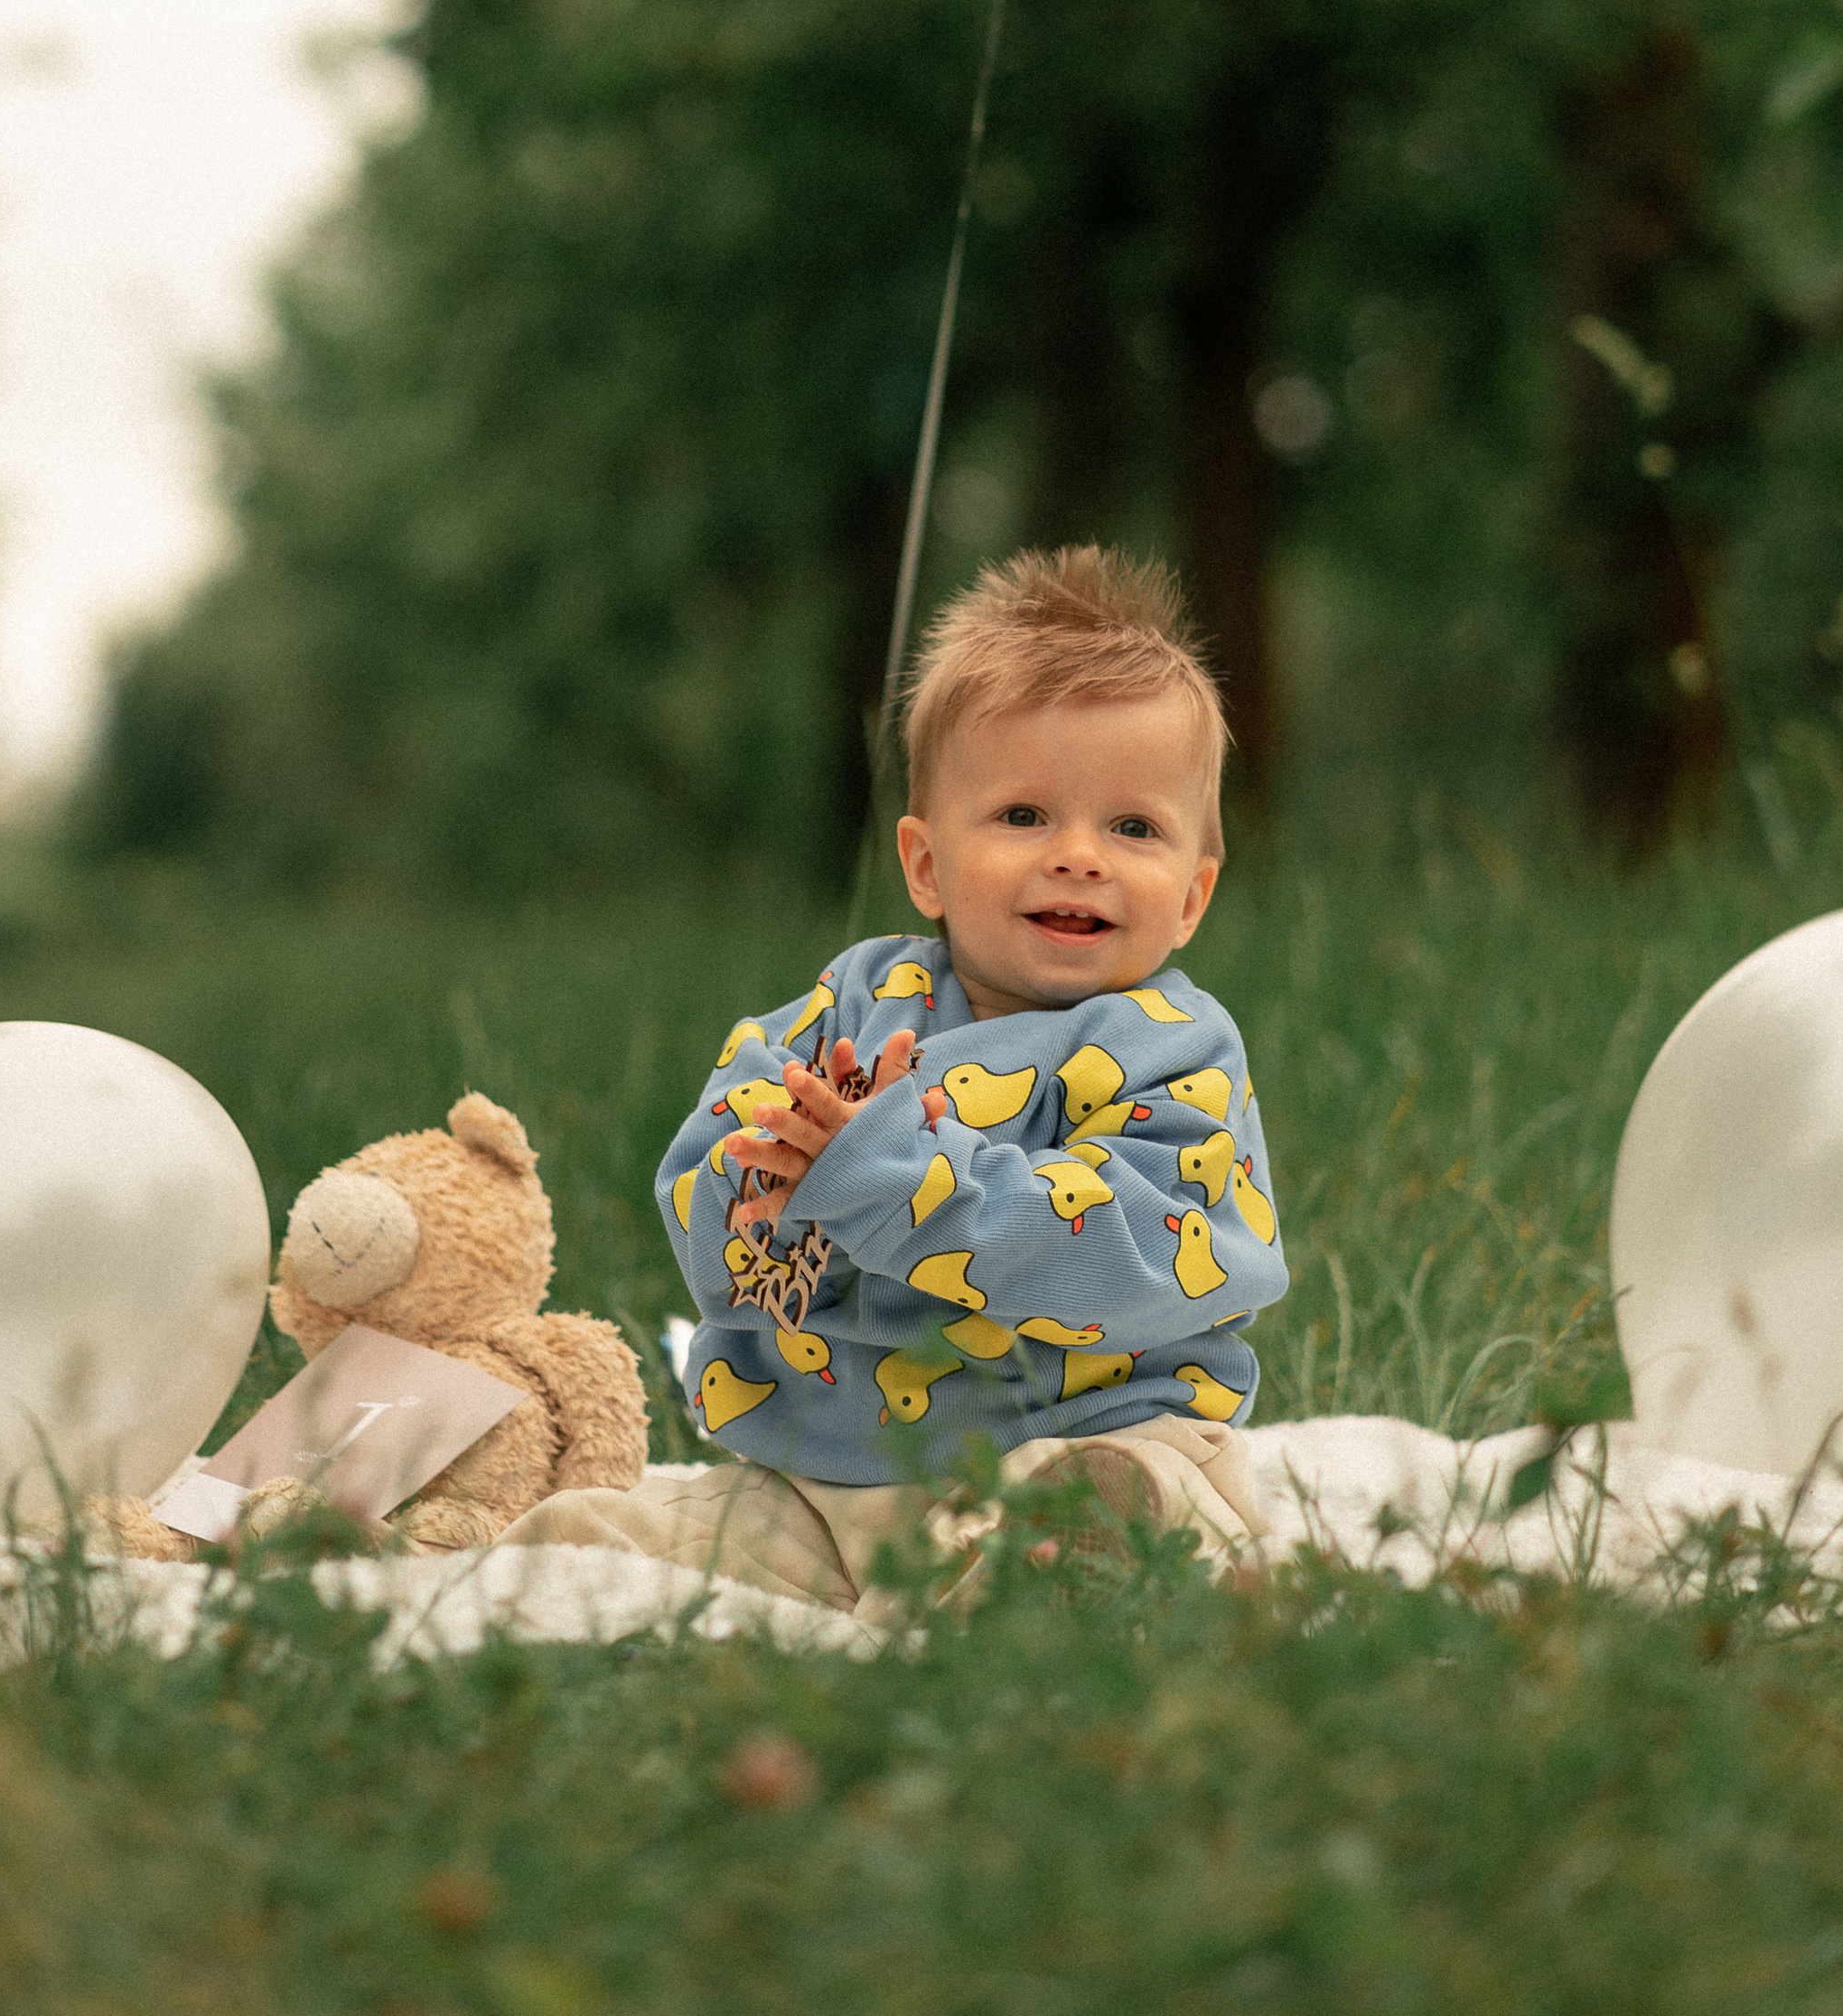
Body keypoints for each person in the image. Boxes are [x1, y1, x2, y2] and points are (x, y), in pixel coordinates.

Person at [496, 546, 1286, 1613]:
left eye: (1132, 827)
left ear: (1191, 898)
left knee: (1140, 1504)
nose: (1079, 855)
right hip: (828, 1483)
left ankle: (1048, 1581)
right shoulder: (849, 1012)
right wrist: (768, 1188)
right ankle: (616, 1599)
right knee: (584, 1543)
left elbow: (1137, 1255)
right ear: (925, 865)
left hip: (1082, 1441)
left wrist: (887, 1179)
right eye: (1022, 816)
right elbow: (712, 1204)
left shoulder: (1171, 1047)